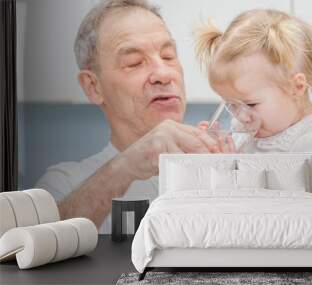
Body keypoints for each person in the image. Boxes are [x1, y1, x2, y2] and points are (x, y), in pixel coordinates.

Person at [35, 0, 227, 233]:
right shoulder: (64, 182)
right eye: (134, 63)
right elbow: (35, 245)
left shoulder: (217, 166)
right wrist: (127, 165)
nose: (164, 74)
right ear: (93, 87)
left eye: (168, 56)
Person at [195, 9, 312, 197]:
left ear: (296, 88)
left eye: (251, 104)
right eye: (232, 105)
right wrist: (213, 160)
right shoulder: (242, 133)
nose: (241, 116)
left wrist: (238, 174)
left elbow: (310, 211)